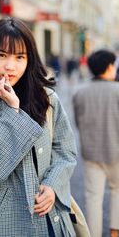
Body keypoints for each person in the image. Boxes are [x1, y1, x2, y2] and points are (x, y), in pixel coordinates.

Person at [0, 17, 77, 237]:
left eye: (19, 57)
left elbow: (65, 152)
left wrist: (52, 186)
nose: (10, 66)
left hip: (50, 218)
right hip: (6, 221)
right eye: (2, 55)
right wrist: (11, 109)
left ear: (29, 60)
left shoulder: (46, 98)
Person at [73, 49, 119, 237]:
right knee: (117, 192)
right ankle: (115, 233)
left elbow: (78, 122)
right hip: (116, 152)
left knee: (93, 198)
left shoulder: (79, 92)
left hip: (90, 153)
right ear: (109, 67)